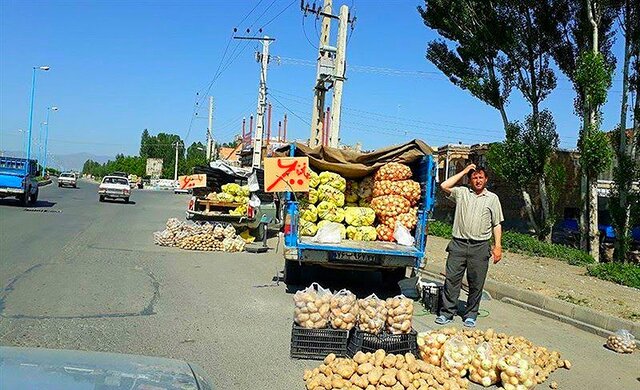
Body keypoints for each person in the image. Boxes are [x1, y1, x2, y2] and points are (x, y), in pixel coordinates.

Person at [435, 164, 503, 327]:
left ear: (486, 179)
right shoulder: (462, 193)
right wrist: (464, 171)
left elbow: (497, 224)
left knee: (476, 281)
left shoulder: (492, 198)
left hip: (480, 247)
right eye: (474, 177)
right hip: (458, 244)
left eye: (481, 177)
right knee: (452, 280)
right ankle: (447, 313)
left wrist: (498, 246)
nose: (478, 180)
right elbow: (444, 185)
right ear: (470, 180)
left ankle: (471, 314)